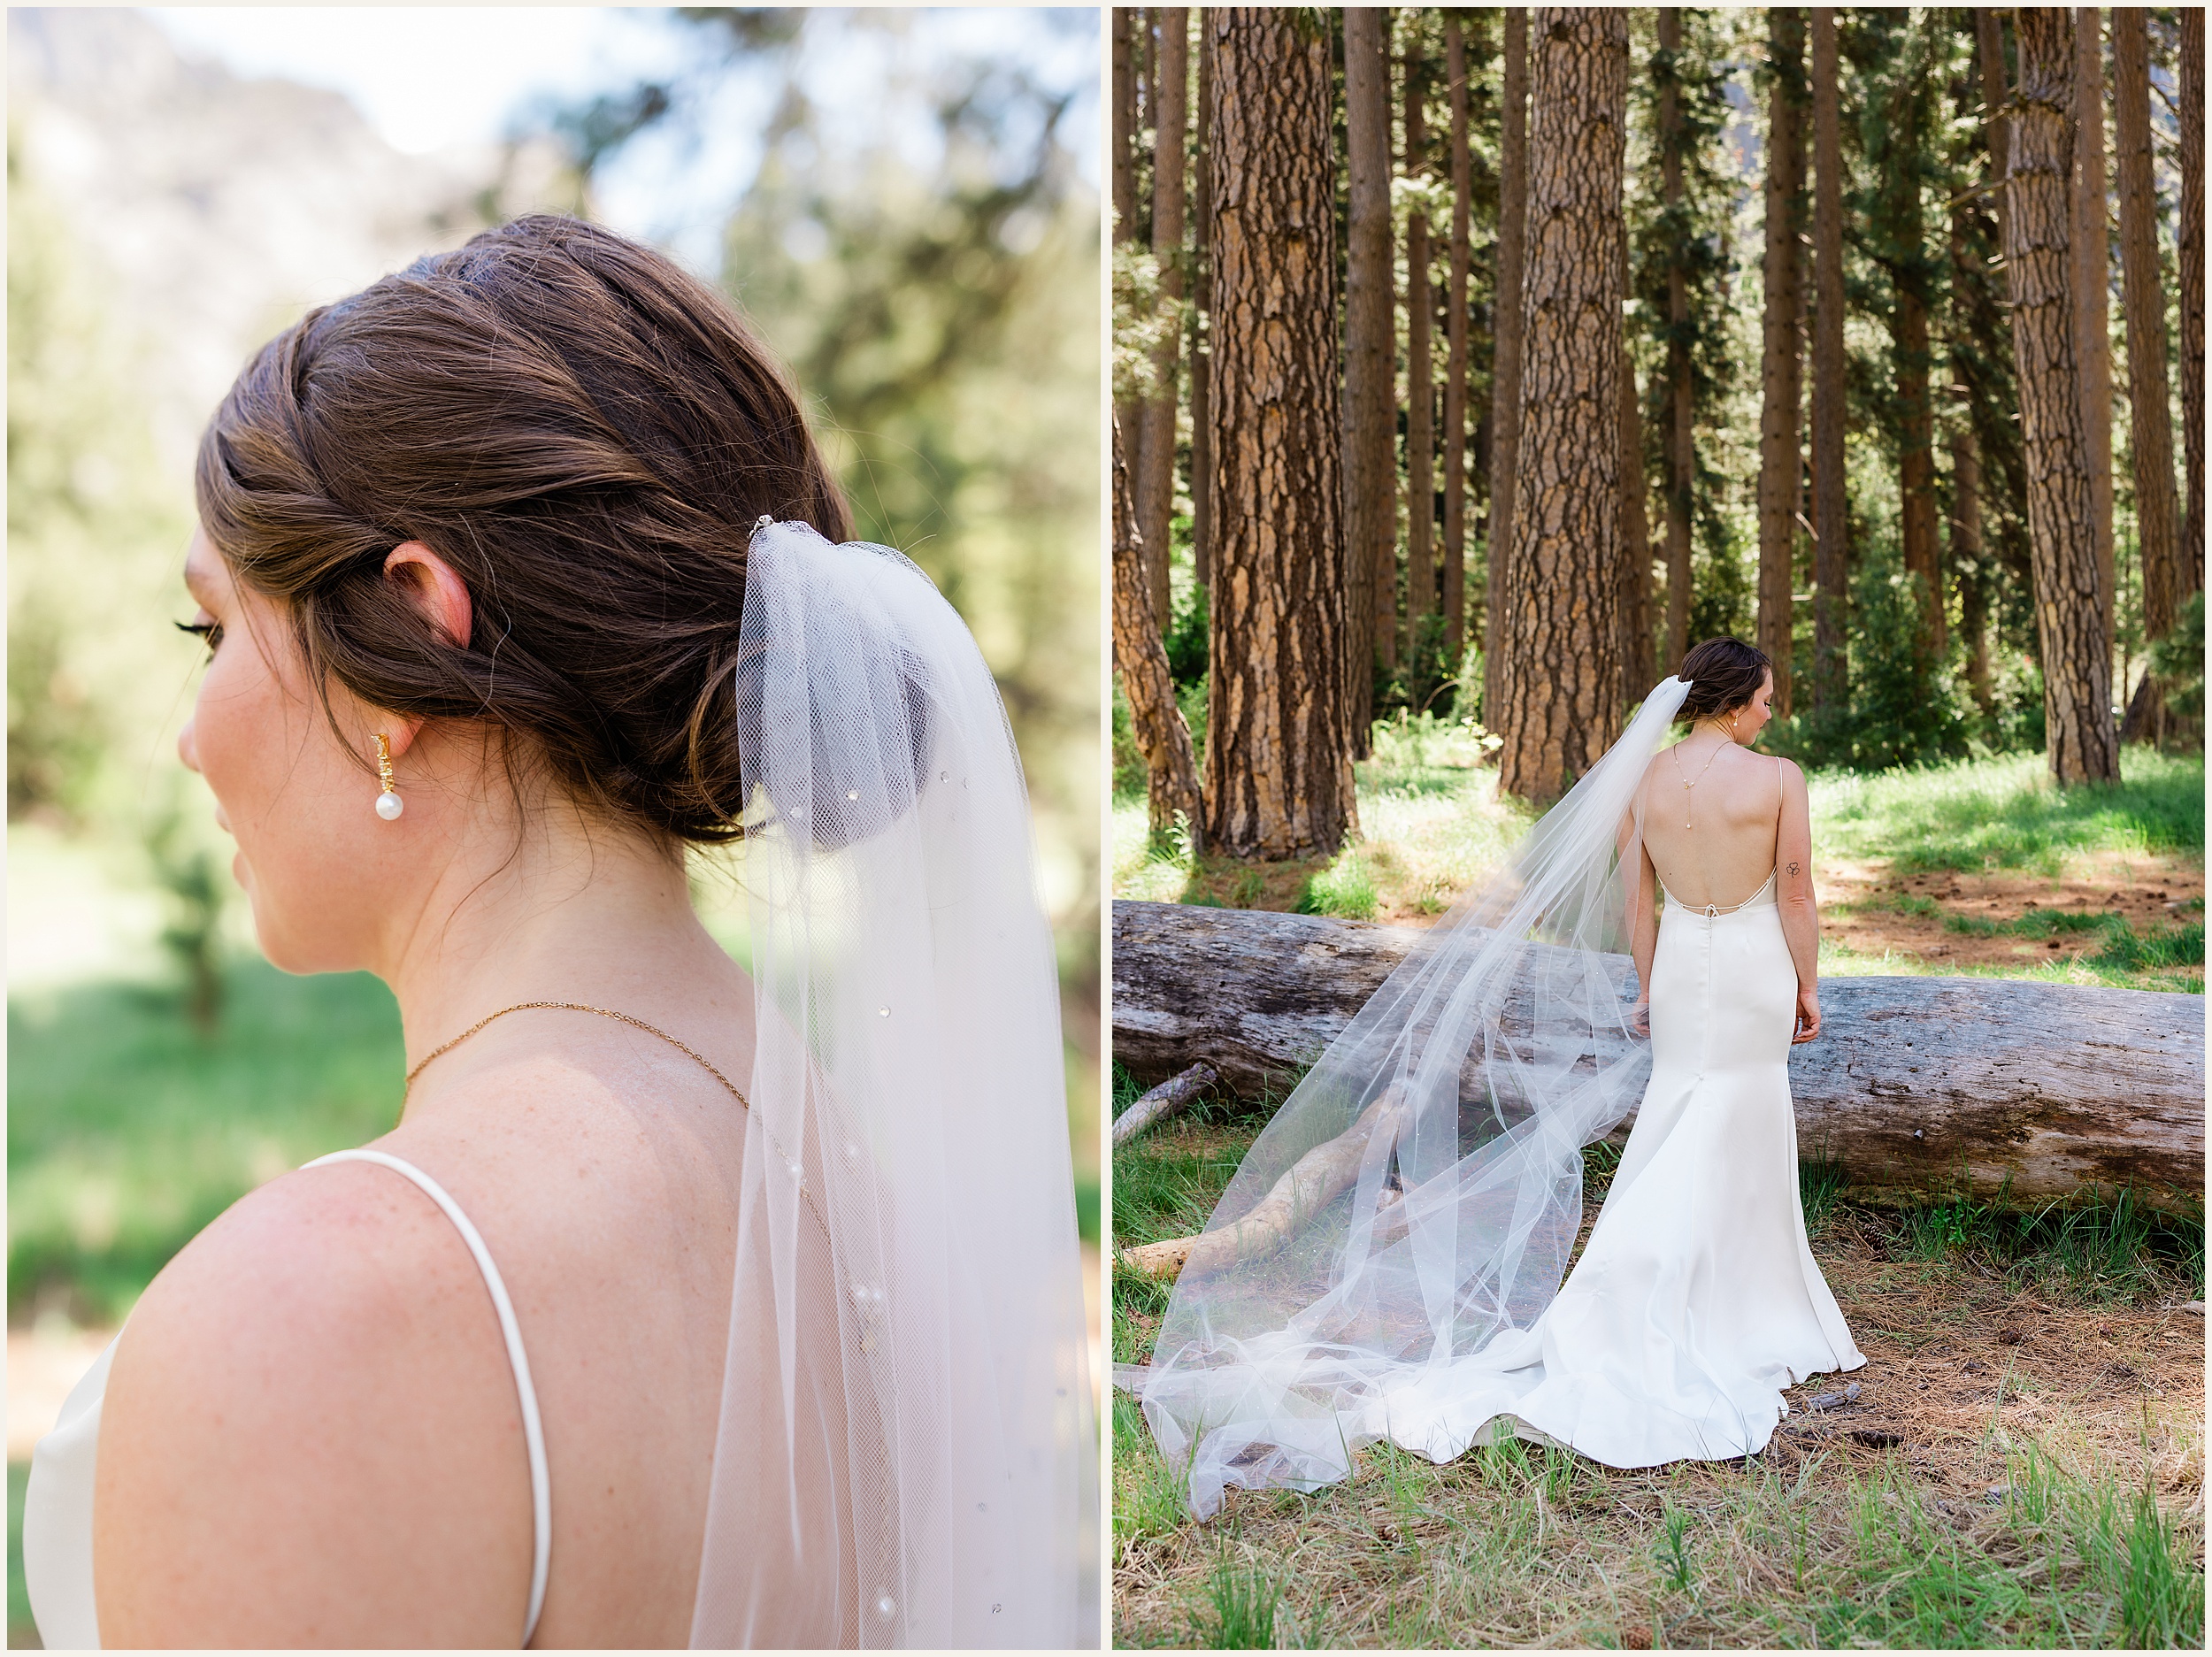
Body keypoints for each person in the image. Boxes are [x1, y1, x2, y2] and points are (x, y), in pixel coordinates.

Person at [23, 215, 1094, 1648]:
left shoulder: (308, 1321)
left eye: (211, 633)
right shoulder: (851, 1194)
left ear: (406, 633)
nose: (188, 733)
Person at [1128, 637, 1865, 1517]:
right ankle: (1736, 1297)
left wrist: (1646, 983)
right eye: (1767, 697)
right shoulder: (1777, 778)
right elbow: (1793, 893)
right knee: (1739, 1114)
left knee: (1684, 1111)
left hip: (1679, 968)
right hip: (1750, 967)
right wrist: (1808, 983)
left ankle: (1664, 1279)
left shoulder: (1646, 780)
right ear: (1736, 699)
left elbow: (1638, 902)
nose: (1772, 711)